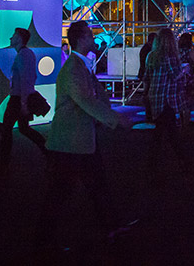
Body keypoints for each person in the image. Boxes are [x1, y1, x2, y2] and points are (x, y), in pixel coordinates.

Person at [34, 20, 135, 246]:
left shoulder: (80, 66)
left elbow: (93, 96)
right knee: (59, 194)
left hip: (80, 140)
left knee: (95, 185)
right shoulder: (73, 68)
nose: (94, 38)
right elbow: (86, 100)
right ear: (81, 39)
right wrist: (115, 118)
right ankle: (43, 243)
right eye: (90, 34)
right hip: (70, 142)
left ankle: (112, 226)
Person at [0, 27, 47, 171]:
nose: (10, 38)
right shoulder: (27, 54)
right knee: (24, 128)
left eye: (13, 35)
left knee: (7, 129)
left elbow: (25, 80)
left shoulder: (23, 55)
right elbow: (30, 78)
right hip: (20, 98)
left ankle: (3, 162)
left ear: (19, 38)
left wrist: (23, 103)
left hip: (17, 99)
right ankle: (47, 149)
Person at [145, 27, 186, 176]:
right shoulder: (169, 57)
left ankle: (153, 166)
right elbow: (175, 75)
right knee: (171, 134)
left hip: (156, 97)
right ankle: (184, 162)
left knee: (161, 132)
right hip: (167, 99)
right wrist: (185, 70)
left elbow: (147, 76)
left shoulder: (151, 55)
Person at [138, 32, 157, 122]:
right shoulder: (148, 50)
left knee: (148, 93)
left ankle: (150, 114)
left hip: (145, 74)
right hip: (147, 74)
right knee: (148, 94)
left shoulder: (146, 49)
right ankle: (149, 115)